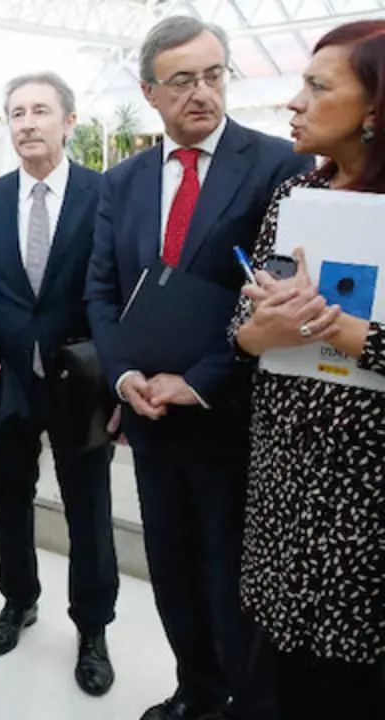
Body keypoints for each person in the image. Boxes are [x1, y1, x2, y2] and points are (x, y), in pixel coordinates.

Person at [84, 16, 312, 720]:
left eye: (215, 75)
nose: (203, 93)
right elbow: (101, 291)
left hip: (231, 414)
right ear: (149, 91)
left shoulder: (277, 164)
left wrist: (204, 379)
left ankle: (247, 704)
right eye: (183, 80)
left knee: (233, 581)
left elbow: (278, 300)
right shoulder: (121, 182)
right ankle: (197, 692)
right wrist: (124, 378)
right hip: (149, 416)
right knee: (173, 570)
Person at [230, 20, 385, 719]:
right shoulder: (295, 194)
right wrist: (257, 333)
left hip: (368, 504)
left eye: (318, 87)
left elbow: (350, 337)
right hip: (284, 485)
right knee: (276, 675)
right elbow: (245, 329)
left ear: (375, 108)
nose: (294, 102)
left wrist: (350, 332)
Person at [0, 71, 119, 696]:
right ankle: (18, 600)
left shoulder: (105, 194)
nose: (27, 123)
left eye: (40, 111)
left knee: (89, 509)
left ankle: (93, 628)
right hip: (7, 382)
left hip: (81, 381)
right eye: (16, 112)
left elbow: (120, 291)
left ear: (68, 121)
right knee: (9, 496)